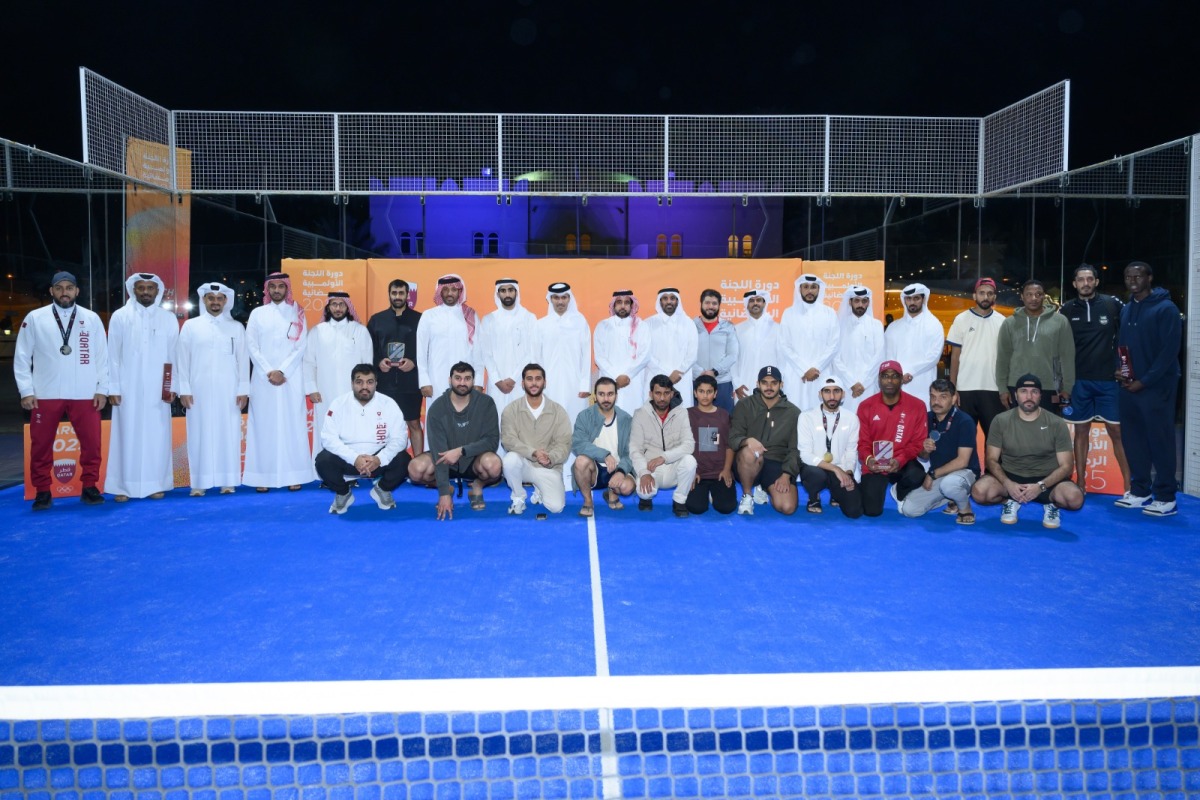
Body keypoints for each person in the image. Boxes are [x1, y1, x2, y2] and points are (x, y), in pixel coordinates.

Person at [14, 270, 109, 510]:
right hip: (45, 393)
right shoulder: (35, 318)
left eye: (69, 288)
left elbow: (102, 357)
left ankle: (89, 486)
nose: (64, 292)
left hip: (85, 393)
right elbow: (22, 356)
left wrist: (102, 389)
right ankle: (43, 491)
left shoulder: (91, 318)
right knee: (41, 445)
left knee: (92, 444)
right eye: (59, 288)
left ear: (77, 291)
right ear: (51, 291)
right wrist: (26, 390)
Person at [1113, 260, 1182, 517]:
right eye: (1128, 276)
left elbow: (1168, 353)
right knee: (1134, 440)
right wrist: (1121, 372)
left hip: (1157, 388)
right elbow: (1122, 346)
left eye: (1138, 276)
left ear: (1149, 278)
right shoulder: (1128, 309)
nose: (1132, 280)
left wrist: (1145, 380)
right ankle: (1140, 491)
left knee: (1160, 441)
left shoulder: (1167, 309)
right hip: (1130, 387)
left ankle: (1166, 496)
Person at [970, 374, 1083, 529]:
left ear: (1040, 396)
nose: (1029, 396)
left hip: (1047, 481)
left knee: (1075, 499)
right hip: (1011, 477)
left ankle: (1051, 504)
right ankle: (1009, 501)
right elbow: (991, 459)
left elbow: (1067, 466)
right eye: (1023, 391)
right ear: (1016, 395)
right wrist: (1007, 483)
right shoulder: (1000, 420)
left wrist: (1041, 486)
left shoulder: (1056, 423)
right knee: (979, 492)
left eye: (1034, 392)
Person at [105, 272, 178, 502]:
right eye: (141, 288)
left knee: (157, 436)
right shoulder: (120, 316)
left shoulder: (168, 318)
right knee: (126, 435)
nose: (145, 292)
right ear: (132, 290)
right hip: (127, 388)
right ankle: (123, 487)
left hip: (158, 389)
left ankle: (156, 483)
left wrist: (172, 386)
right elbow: (112, 355)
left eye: (150, 288)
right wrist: (113, 387)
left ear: (158, 291)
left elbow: (174, 355)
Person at [1058, 264, 1130, 495]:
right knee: (1081, 433)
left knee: (1117, 433)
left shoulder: (1112, 304)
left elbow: (1130, 333)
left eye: (1090, 279)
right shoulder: (1066, 309)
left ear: (1096, 282)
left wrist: (1126, 367)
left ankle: (1130, 485)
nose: (1086, 283)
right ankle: (1081, 484)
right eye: (1081, 279)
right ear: (1074, 283)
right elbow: (1058, 348)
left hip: (1109, 381)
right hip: (1079, 382)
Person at [175, 282, 249, 496]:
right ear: (204, 300)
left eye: (219, 299)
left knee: (229, 433)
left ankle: (228, 481)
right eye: (211, 298)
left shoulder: (236, 327)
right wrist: (184, 389)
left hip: (230, 390)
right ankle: (199, 482)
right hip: (199, 390)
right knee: (199, 433)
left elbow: (243, 360)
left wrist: (243, 389)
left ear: (226, 301)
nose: (215, 302)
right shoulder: (191, 326)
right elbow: (182, 360)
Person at [243, 272, 314, 491]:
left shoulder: (298, 312)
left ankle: (294, 475)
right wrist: (269, 371)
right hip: (263, 380)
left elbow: (301, 345)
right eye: (272, 286)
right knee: (263, 427)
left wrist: (282, 371)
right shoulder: (257, 313)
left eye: (280, 286)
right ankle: (261, 478)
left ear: (287, 288)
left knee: (292, 425)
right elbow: (251, 346)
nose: (276, 290)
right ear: (267, 289)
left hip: (290, 379)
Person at [408, 361, 503, 520]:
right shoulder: (437, 408)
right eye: (458, 378)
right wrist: (444, 493)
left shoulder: (486, 403)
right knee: (415, 469)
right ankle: (446, 485)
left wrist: (461, 451)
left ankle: (477, 486)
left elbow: (492, 441)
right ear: (449, 380)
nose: (462, 383)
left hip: (474, 460)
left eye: (467, 378)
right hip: (445, 460)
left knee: (493, 465)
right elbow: (439, 452)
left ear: (474, 381)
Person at [316, 363, 412, 514]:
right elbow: (328, 438)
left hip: (378, 459)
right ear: (352, 383)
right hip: (349, 458)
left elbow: (400, 439)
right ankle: (343, 493)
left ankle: (382, 489)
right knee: (322, 461)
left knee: (404, 459)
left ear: (376, 383)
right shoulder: (338, 404)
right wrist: (354, 458)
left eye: (370, 382)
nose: (364, 386)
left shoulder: (389, 404)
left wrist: (379, 459)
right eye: (359, 382)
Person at [896, 379, 980, 524]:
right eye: (933, 396)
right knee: (909, 510)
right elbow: (922, 456)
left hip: (965, 472)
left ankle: (965, 508)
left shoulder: (964, 421)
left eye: (943, 396)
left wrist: (933, 474)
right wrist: (925, 449)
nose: (936, 401)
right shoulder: (926, 418)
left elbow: (963, 461)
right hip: (940, 476)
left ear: (954, 398)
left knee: (950, 485)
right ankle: (951, 497)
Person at [304, 291, 372, 459]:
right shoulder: (317, 332)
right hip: (324, 393)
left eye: (341, 304)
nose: (338, 308)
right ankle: (321, 473)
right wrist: (311, 388)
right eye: (334, 304)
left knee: (352, 432)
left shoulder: (360, 331)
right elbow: (308, 363)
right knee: (325, 430)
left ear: (347, 306)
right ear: (328, 307)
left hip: (352, 395)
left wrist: (365, 389)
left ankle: (352, 472)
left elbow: (368, 364)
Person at [856, 360, 928, 517]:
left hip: (901, 462)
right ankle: (868, 488)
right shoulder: (866, 406)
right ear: (879, 380)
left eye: (894, 376)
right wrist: (869, 460)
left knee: (917, 475)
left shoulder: (917, 405)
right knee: (872, 511)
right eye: (885, 376)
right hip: (875, 464)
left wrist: (900, 460)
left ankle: (899, 490)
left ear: (902, 379)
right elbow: (862, 443)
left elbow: (917, 443)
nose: (889, 380)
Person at [500, 364, 573, 515]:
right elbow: (508, 440)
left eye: (538, 379)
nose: (534, 383)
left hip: (548, 467)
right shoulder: (511, 410)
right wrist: (533, 453)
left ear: (544, 383)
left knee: (556, 508)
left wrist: (550, 457)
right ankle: (518, 497)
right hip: (523, 464)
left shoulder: (558, 411)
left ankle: (540, 489)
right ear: (522, 383)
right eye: (529, 379)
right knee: (509, 460)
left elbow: (564, 444)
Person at [995, 278, 1075, 415]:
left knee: (1047, 433)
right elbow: (1003, 358)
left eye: (1038, 294)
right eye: (1029, 294)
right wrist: (1003, 389)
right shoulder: (1009, 323)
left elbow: (1067, 356)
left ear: (1044, 296)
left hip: (1049, 386)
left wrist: (1067, 388)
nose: (1034, 298)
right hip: (1017, 387)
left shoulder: (1060, 321)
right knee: (1018, 433)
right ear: (1022, 297)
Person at [730, 365, 801, 516]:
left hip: (776, 462)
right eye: (765, 382)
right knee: (749, 453)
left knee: (787, 507)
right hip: (748, 461)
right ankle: (748, 495)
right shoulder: (744, 405)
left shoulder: (793, 412)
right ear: (758, 384)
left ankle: (763, 487)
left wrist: (786, 474)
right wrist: (747, 440)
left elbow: (795, 449)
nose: (769, 387)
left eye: (774, 383)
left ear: (781, 385)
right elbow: (733, 437)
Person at [366, 278, 424, 454]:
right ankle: (383, 465)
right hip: (385, 383)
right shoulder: (377, 320)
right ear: (389, 294)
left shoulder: (420, 319)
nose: (397, 296)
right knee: (384, 426)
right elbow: (369, 349)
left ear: (407, 295)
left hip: (410, 382)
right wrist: (378, 363)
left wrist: (413, 362)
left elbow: (427, 349)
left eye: (401, 293)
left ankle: (418, 465)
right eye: (394, 293)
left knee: (413, 423)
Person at [629, 374, 697, 517]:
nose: (662, 398)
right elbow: (635, 449)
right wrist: (644, 473)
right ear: (650, 394)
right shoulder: (640, 414)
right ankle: (645, 499)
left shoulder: (682, 413)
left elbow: (689, 444)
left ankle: (679, 501)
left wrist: (664, 457)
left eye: (666, 393)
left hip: (673, 465)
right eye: (658, 393)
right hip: (651, 468)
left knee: (690, 461)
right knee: (644, 492)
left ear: (672, 394)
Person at [947, 277, 1007, 439]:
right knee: (964, 439)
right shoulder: (961, 319)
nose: (985, 297)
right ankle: (967, 466)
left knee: (995, 440)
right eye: (981, 293)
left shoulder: (1002, 321)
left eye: (989, 293)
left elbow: (1006, 358)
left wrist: (1004, 388)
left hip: (993, 389)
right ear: (974, 296)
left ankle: (992, 466)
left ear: (994, 297)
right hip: (965, 389)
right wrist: (953, 389)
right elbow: (955, 357)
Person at [797, 376, 863, 518]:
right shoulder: (806, 417)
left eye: (836, 391)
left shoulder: (851, 418)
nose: (832, 396)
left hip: (841, 469)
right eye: (827, 391)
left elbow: (851, 451)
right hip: (815, 468)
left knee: (854, 511)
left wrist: (849, 474)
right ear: (820, 394)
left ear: (843, 394)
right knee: (816, 475)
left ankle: (836, 493)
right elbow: (805, 455)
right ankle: (814, 497)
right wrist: (835, 469)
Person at [571, 377, 636, 517]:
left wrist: (621, 471)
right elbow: (577, 443)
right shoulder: (584, 416)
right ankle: (588, 501)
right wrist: (604, 455)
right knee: (580, 461)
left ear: (616, 396)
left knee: (627, 487)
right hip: (595, 469)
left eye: (610, 394)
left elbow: (631, 452)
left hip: (617, 466)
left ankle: (612, 492)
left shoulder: (626, 419)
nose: (606, 398)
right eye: (601, 394)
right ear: (595, 396)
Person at [777, 273, 839, 411]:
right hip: (796, 374)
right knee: (794, 413)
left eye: (813, 287)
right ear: (799, 290)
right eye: (806, 287)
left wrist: (816, 368)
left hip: (821, 373)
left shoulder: (829, 313)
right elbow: (784, 345)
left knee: (821, 413)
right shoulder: (789, 313)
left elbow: (834, 345)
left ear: (819, 289)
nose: (810, 291)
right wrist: (804, 369)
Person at [534, 281, 592, 425]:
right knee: (549, 421)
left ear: (569, 298)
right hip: (549, 384)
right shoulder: (541, 324)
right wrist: (538, 383)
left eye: (564, 297)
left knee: (575, 419)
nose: (560, 302)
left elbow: (586, 355)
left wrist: (585, 384)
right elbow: (536, 357)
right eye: (556, 298)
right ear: (550, 299)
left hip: (575, 383)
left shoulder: (580, 322)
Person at [480, 278, 538, 417]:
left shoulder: (529, 317)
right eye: (503, 290)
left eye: (510, 290)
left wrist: (513, 378)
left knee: (521, 422)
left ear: (516, 292)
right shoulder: (488, 319)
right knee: (496, 422)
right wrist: (497, 379)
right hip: (496, 383)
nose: (507, 294)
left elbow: (532, 351)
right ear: (498, 293)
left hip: (520, 381)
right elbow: (485, 352)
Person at [417, 273, 481, 397]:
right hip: (436, 378)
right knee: (438, 414)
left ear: (460, 291)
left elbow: (478, 351)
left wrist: (478, 381)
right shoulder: (429, 315)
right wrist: (424, 381)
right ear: (440, 292)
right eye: (445, 289)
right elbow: (421, 351)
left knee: (465, 414)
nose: (449, 293)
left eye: (453, 289)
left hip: (465, 380)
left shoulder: (470, 315)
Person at [884, 283, 944, 411]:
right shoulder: (893, 327)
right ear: (904, 300)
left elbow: (934, 356)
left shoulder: (934, 324)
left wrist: (910, 371)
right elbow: (888, 356)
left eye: (916, 298)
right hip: (897, 384)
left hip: (922, 383)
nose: (912, 302)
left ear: (923, 299)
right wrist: (898, 374)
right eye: (909, 299)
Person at [594, 289, 653, 416]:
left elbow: (645, 355)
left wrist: (628, 375)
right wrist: (616, 376)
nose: (623, 305)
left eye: (627, 302)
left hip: (633, 381)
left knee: (633, 417)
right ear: (614, 305)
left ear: (632, 305)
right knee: (608, 418)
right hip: (609, 380)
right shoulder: (603, 326)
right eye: (619, 302)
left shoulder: (642, 326)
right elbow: (599, 357)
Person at [684, 374, 736, 515]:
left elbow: (729, 446)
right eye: (701, 391)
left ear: (715, 393)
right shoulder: (687, 415)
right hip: (697, 473)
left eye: (709, 392)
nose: (705, 396)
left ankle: (714, 495)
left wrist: (726, 470)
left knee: (726, 508)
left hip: (719, 472)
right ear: (695, 393)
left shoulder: (723, 415)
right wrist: (690, 472)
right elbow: (682, 447)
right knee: (696, 508)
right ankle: (704, 494)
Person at [832, 284, 885, 414]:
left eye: (864, 301)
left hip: (869, 386)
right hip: (845, 385)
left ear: (868, 303)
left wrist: (863, 383)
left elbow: (879, 356)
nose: (860, 304)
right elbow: (835, 357)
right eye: (857, 301)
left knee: (868, 421)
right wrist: (851, 383)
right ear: (850, 302)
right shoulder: (838, 325)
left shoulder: (876, 325)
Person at [645, 287, 698, 408]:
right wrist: (663, 374)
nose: (669, 301)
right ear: (660, 301)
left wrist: (679, 371)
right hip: (655, 377)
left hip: (681, 379)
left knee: (681, 416)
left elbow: (692, 354)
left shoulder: (688, 323)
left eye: (672, 298)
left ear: (677, 301)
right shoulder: (648, 323)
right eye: (665, 298)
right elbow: (645, 353)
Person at [693, 288, 739, 413]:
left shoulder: (728, 326)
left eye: (714, 303)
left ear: (719, 305)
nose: (711, 306)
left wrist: (714, 372)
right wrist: (700, 372)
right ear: (701, 304)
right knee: (697, 423)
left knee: (724, 421)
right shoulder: (690, 326)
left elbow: (732, 354)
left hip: (722, 382)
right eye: (707, 303)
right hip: (696, 382)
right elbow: (685, 354)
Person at [733, 289, 779, 403]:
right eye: (751, 301)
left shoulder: (778, 328)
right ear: (747, 305)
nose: (755, 303)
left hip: (770, 386)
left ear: (764, 303)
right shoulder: (738, 329)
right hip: (744, 386)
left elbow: (782, 360)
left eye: (759, 300)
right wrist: (736, 384)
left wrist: (779, 383)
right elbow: (733, 360)